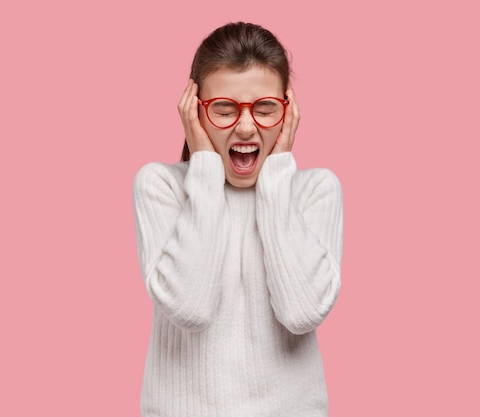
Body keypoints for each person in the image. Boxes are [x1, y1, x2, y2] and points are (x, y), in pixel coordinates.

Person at [133, 21, 343, 417]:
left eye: (265, 108)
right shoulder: (161, 186)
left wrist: (278, 177)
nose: (246, 126)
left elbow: (302, 313)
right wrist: (206, 168)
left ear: (288, 111)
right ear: (195, 112)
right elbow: (189, 309)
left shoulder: (315, 190)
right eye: (224, 109)